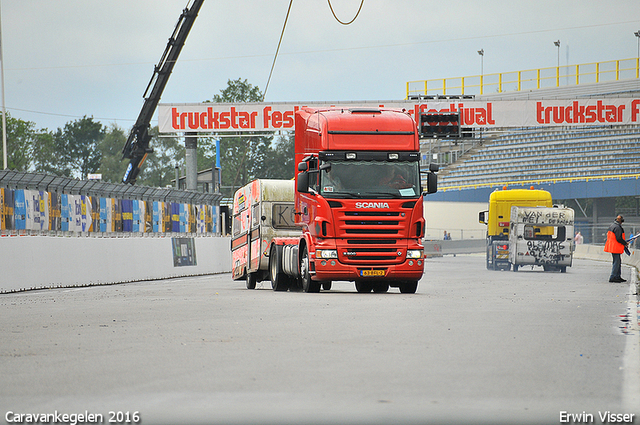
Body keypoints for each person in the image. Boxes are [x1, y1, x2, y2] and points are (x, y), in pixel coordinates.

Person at [604, 215, 628, 283]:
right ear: (620, 220)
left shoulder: (612, 226)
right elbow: (619, 238)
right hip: (616, 247)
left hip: (612, 246)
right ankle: (613, 276)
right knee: (616, 262)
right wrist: (625, 243)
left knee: (617, 261)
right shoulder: (617, 227)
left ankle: (617, 276)